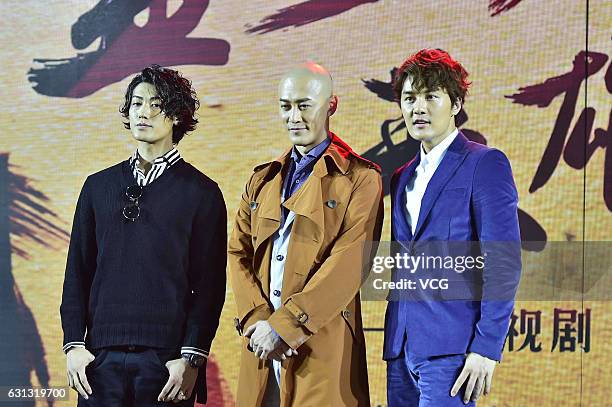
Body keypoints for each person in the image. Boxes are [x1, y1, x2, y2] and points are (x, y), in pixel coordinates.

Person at [60, 65, 227, 406]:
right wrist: (74, 345)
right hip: (98, 361)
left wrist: (191, 357)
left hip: (167, 363)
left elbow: (210, 286)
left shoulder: (202, 193)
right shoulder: (98, 187)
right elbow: (77, 273)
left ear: (178, 115)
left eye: (156, 104)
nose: (143, 112)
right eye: (136, 103)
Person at [228, 62, 383, 406]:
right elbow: (237, 253)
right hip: (261, 345)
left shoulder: (360, 178)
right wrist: (257, 320)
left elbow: (349, 263)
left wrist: (285, 325)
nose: (293, 116)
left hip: (321, 345)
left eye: (304, 105)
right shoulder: (262, 179)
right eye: (285, 106)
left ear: (331, 105)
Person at [383, 49, 522, 406]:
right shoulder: (401, 178)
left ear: (456, 103)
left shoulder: (484, 164)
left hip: (453, 351)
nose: (418, 108)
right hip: (400, 348)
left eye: (431, 97)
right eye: (410, 98)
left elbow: (503, 263)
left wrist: (486, 349)